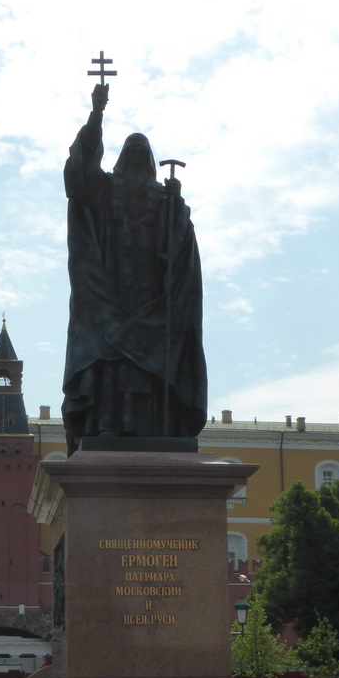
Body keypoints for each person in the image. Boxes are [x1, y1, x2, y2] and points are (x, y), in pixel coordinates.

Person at [62, 82, 207, 455]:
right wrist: (96, 115)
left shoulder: (164, 202)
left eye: (145, 158)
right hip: (108, 293)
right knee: (111, 357)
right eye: (134, 156)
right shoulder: (105, 189)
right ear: (122, 160)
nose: (139, 164)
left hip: (155, 298)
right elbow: (78, 178)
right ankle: (106, 424)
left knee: (147, 362)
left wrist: (177, 213)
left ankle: (156, 425)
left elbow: (180, 249)